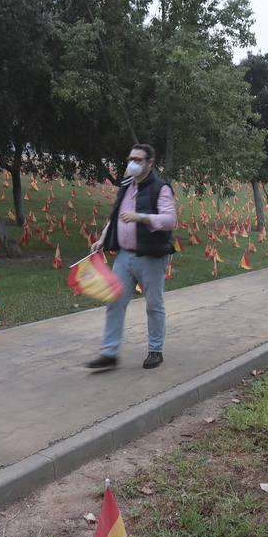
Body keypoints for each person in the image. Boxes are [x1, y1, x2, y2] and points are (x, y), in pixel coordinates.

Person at [86, 143, 177, 371]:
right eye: (131, 159)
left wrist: (142, 217)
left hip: (151, 256)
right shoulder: (126, 185)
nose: (132, 164)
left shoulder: (161, 187)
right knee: (114, 302)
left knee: (154, 305)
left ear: (150, 163)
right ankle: (109, 353)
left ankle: (155, 350)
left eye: (138, 160)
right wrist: (103, 239)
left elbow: (169, 220)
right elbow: (116, 216)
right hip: (125, 257)